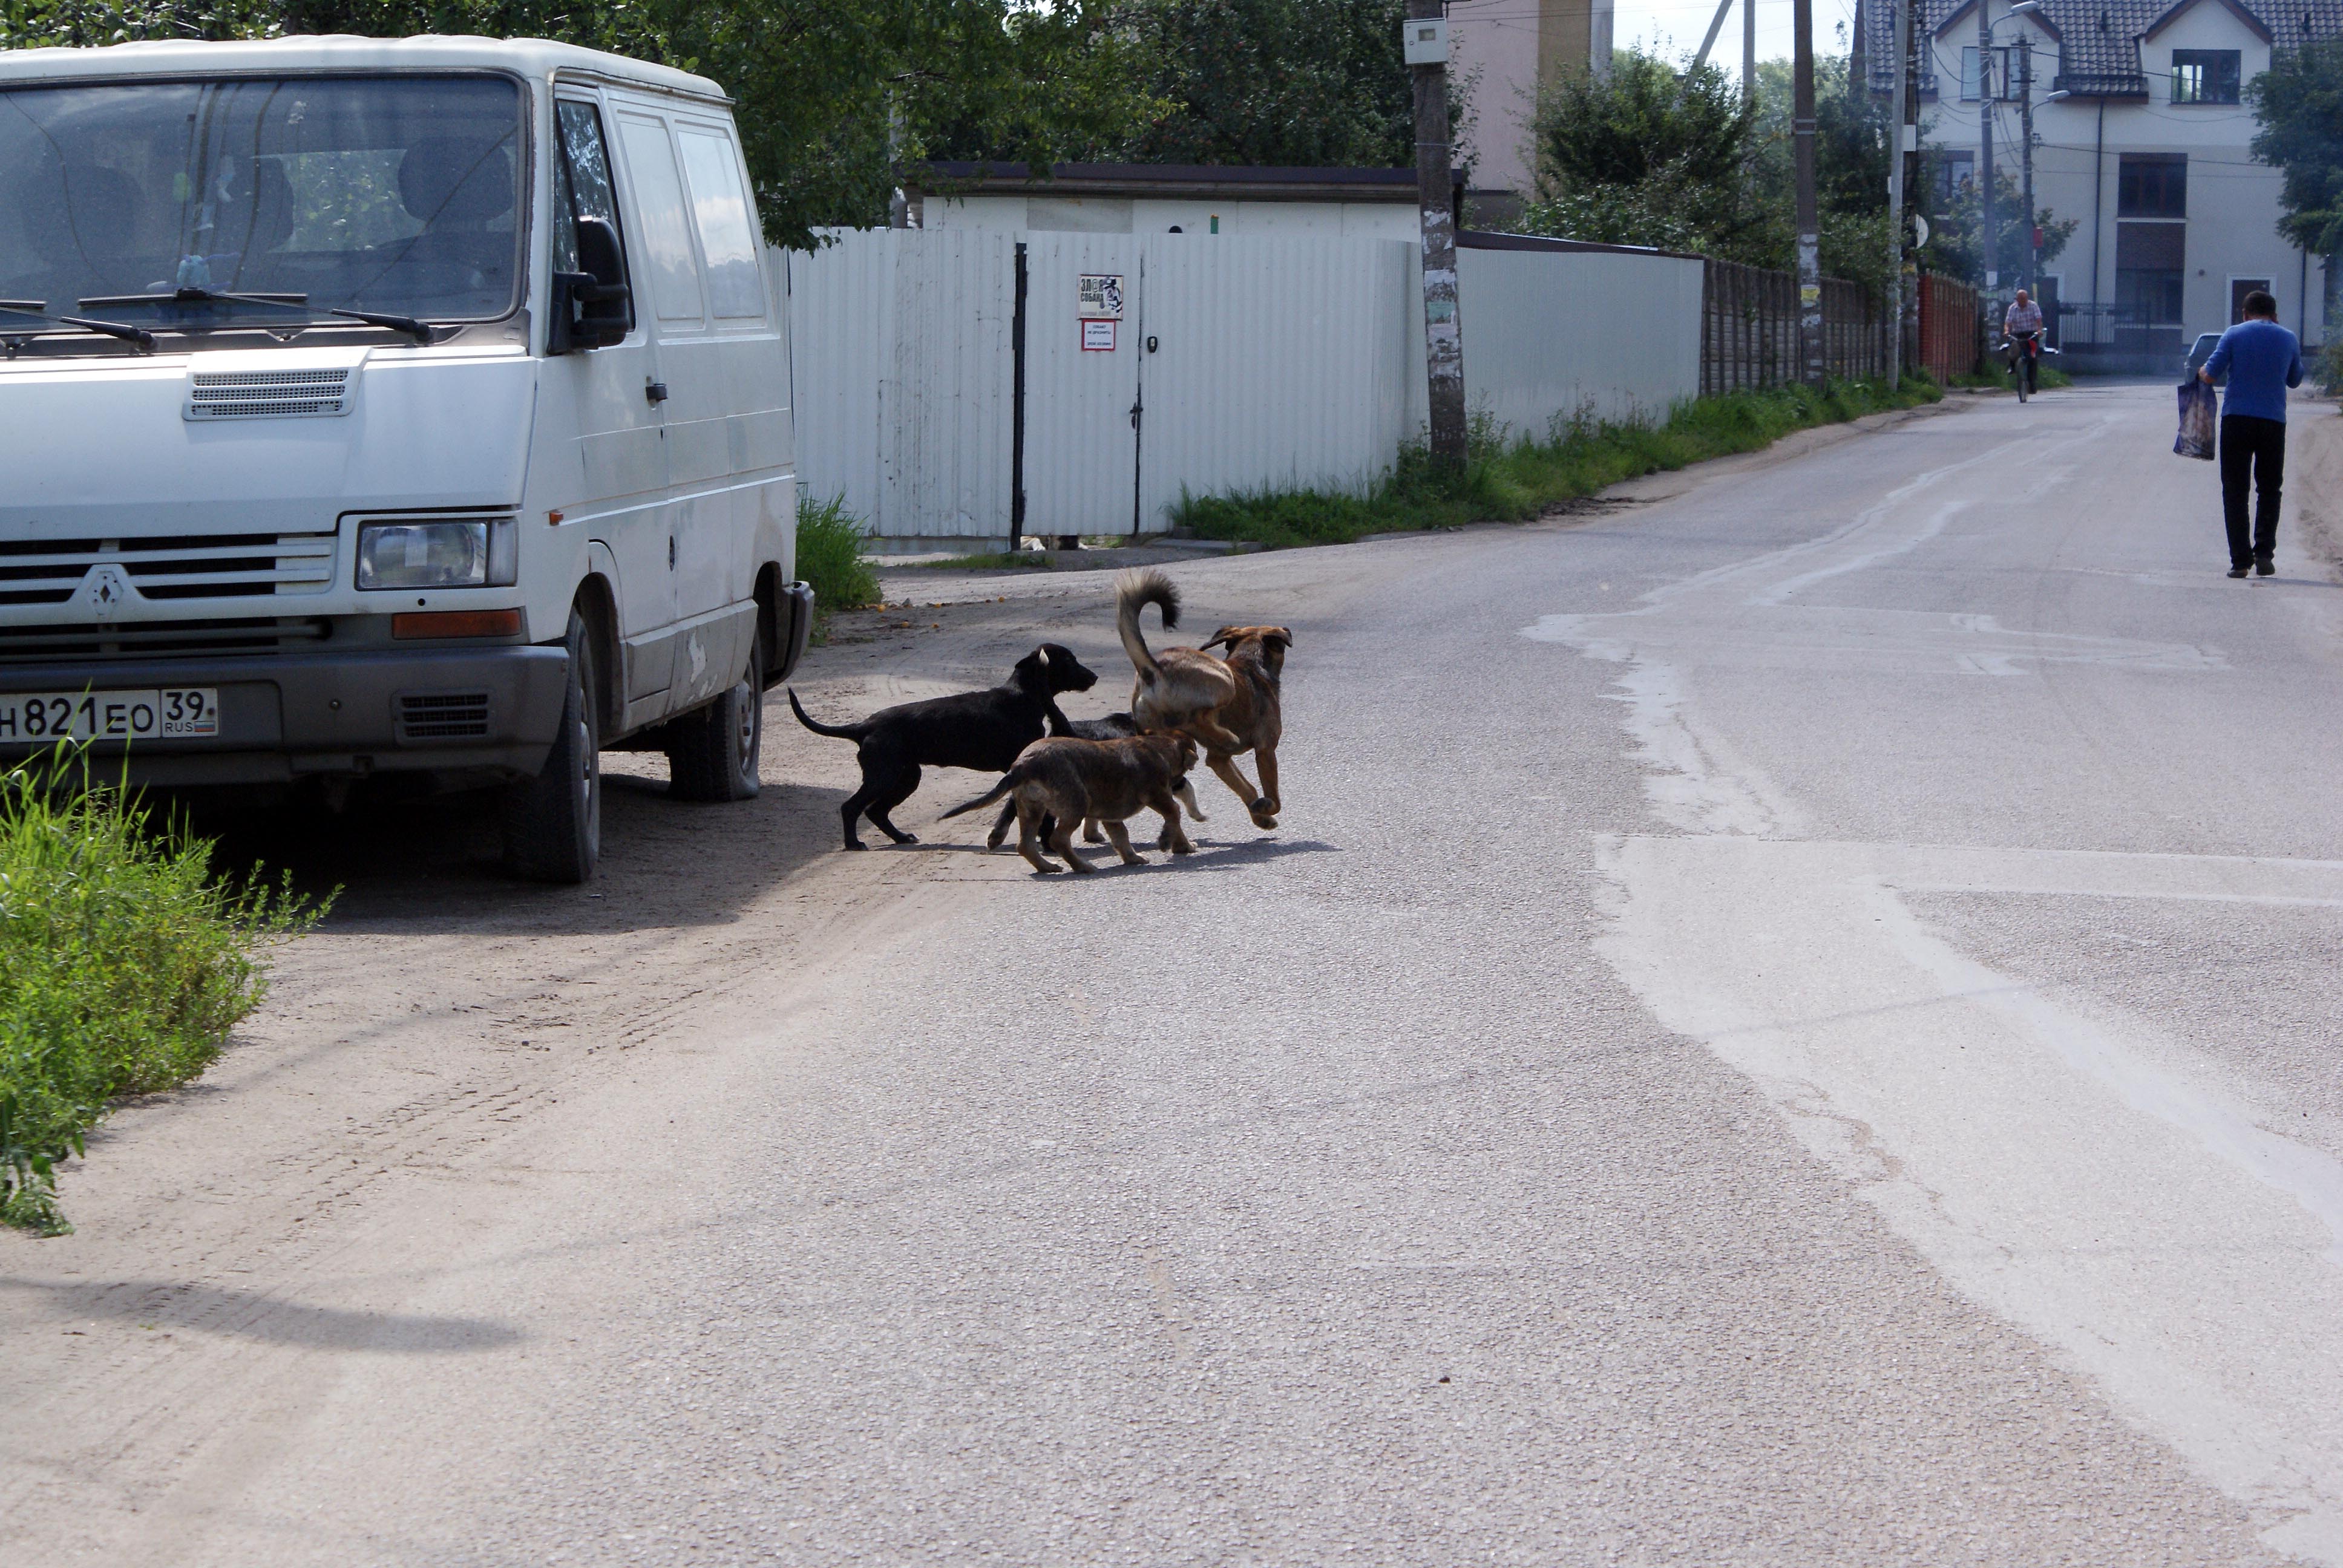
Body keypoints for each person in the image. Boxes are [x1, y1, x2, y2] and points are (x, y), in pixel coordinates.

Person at [2200, 290, 2304, 578]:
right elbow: (2295, 380)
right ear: (2274, 314)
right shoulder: (2289, 338)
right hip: (2273, 422)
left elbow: (2210, 374)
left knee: (2235, 491)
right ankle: (2264, 553)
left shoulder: (2234, 334)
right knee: (2269, 489)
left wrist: (2200, 372)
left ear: (2244, 314)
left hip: (2236, 420)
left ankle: (2240, 562)